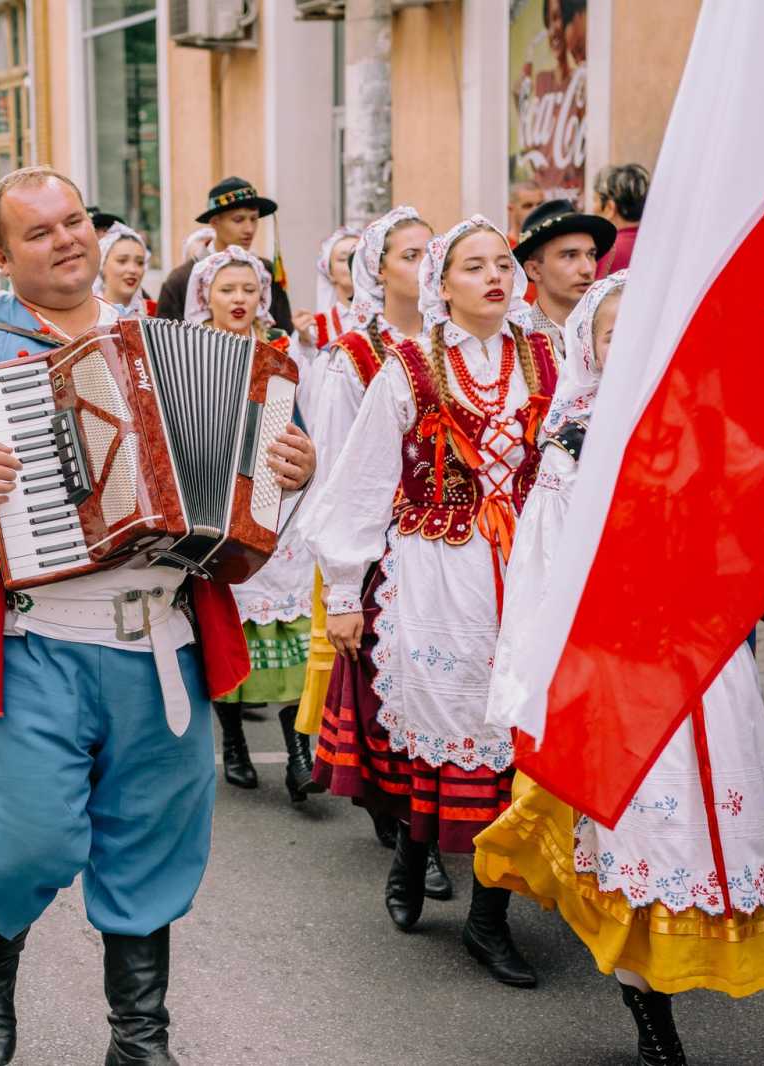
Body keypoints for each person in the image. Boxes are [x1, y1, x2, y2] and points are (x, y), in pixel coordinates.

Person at [0, 165, 315, 1066]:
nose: (64, 240)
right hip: (35, 640)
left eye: (73, 223)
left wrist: (289, 467)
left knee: (154, 845)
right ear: (0, 255)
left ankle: (140, 1040)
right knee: (27, 846)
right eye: (37, 232)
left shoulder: (164, 341)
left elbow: (242, 503)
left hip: (160, 641)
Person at [473, 272, 764, 1063]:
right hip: (615, 663)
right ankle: (650, 1015)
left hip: (704, 662)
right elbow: (546, 560)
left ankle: (656, 984)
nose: (632, 348)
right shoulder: (573, 439)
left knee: (688, 832)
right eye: (615, 335)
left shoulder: (703, 423)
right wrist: (543, 673)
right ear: (589, 345)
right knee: (608, 823)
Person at [302, 216, 557, 987]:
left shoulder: (548, 356)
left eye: (503, 264)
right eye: (473, 266)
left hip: (530, 571)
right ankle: (413, 854)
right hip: (438, 576)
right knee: (441, 730)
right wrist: (345, 590)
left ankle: (488, 919)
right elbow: (364, 478)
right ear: (441, 285)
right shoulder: (411, 366)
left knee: (515, 740)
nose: (494, 277)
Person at [302, 208, 450, 894]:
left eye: (431, 253)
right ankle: (404, 827)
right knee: (387, 692)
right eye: (408, 255)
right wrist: (347, 577)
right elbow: (339, 469)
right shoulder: (356, 358)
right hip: (385, 545)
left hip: (457, 548)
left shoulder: (465, 351)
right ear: (379, 270)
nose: (423, 266)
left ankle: (431, 827)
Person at [185, 246, 318, 804]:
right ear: (205, 298)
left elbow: (302, 427)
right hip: (213, 503)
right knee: (227, 624)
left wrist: (301, 461)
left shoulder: (283, 355)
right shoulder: (188, 353)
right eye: (226, 290)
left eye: (248, 290)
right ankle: (234, 740)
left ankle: (297, 751)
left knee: (288, 636)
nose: (239, 299)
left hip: (271, 498)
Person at [154, 177, 293, 328]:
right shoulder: (180, 280)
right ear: (214, 222)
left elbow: (284, 333)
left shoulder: (265, 271)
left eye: (254, 219)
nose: (249, 229)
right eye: (238, 220)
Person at [512, 198, 615, 362]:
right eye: (570, 256)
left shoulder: (611, 333)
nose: (587, 269)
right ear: (534, 270)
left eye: (591, 254)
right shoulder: (517, 343)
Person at [293, 225, 358, 354]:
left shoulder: (387, 318)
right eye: (343, 259)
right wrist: (305, 340)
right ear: (330, 273)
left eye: (357, 257)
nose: (353, 264)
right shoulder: (317, 326)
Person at [592, 163, 649, 278]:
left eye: (595, 200)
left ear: (609, 208)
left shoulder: (607, 251)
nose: (593, 208)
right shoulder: (657, 244)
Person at [93, 222, 153, 316]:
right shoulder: (87, 315)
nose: (133, 270)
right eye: (122, 261)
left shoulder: (153, 313)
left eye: (140, 263)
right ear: (102, 265)